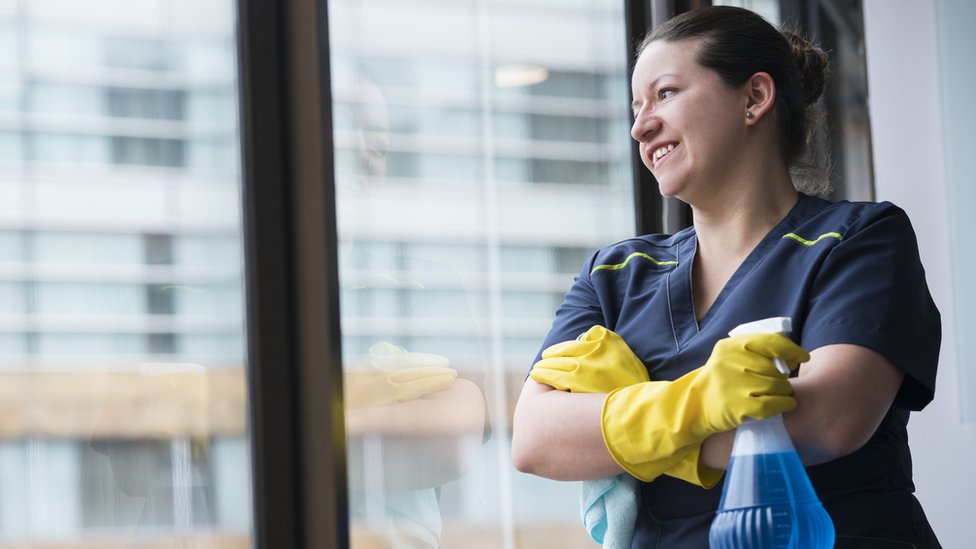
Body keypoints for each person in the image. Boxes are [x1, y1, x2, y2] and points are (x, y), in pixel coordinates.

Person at [511, 5, 942, 548]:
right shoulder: (615, 274)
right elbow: (535, 439)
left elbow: (827, 420)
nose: (640, 124)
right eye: (637, 105)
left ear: (755, 98)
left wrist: (616, 423)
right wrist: (696, 405)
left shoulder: (858, 239)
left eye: (665, 93)